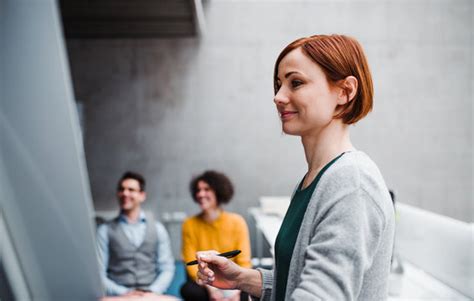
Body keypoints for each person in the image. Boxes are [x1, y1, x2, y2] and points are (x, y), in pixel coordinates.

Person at [195, 34, 396, 300]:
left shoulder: (351, 182)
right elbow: (297, 279)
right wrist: (241, 278)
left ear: (345, 91)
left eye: (296, 83)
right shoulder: (314, 180)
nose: (278, 97)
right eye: (278, 85)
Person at [96, 171, 176, 298]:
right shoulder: (104, 230)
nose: (125, 193)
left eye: (131, 189)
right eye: (121, 189)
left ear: (142, 195)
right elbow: (98, 274)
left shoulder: (158, 229)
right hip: (119, 296)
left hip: (151, 295)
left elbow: (167, 268)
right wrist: (123, 293)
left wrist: (151, 292)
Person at [180, 170, 252, 301]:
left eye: (206, 189)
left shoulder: (237, 222)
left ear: (218, 192)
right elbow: (191, 265)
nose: (200, 194)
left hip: (233, 279)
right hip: (205, 281)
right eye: (198, 190)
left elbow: (244, 262)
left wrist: (236, 290)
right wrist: (211, 288)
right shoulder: (189, 224)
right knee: (188, 290)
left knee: (251, 292)